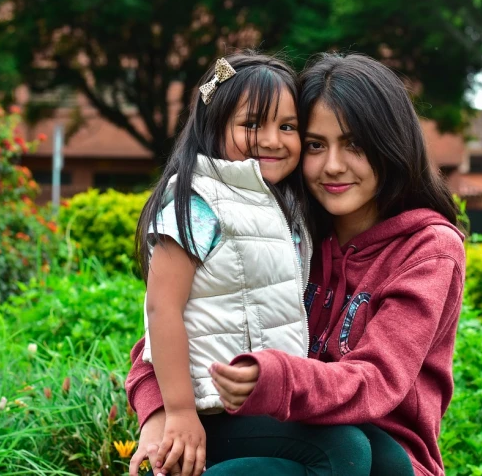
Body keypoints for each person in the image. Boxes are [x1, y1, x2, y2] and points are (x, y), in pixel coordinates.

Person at [132, 51, 373, 476]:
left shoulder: (284, 205)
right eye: (251, 125)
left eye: (288, 127)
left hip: (266, 399)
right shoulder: (199, 201)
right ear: (214, 124)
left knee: (386, 460)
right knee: (343, 451)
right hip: (209, 406)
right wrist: (179, 413)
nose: (272, 140)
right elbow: (160, 308)